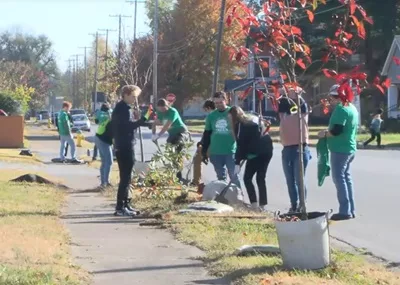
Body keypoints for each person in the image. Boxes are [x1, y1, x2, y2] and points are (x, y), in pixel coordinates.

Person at [318, 84, 358, 221]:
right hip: (349, 148)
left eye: (334, 96)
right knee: (346, 178)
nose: (332, 99)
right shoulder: (352, 107)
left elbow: (337, 131)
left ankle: (345, 211)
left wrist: (324, 133)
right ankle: (351, 209)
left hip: (340, 149)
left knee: (339, 178)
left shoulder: (341, 109)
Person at [112, 85, 152, 216]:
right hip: (123, 146)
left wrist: (143, 121)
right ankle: (120, 207)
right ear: (126, 94)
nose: (135, 100)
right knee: (125, 178)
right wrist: (144, 119)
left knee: (128, 177)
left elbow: (131, 125)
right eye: (133, 97)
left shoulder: (126, 108)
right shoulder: (121, 109)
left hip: (127, 144)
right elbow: (128, 126)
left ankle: (126, 204)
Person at [229, 106, 273, 211]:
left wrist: (237, 162)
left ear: (234, 117)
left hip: (258, 153)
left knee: (248, 178)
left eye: (229, 118)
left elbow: (241, 145)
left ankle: (255, 205)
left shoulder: (242, 126)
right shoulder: (250, 119)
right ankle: (261, 205)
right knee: (260, 178)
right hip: (266, 150)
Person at [278, 87, 311, 213]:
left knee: (299, 179)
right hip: (287, 148)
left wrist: (298, 95)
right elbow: (281, 106)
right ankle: (293, 205)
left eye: (293, 91)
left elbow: (302, 105)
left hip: (300, 148)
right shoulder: (284, 110)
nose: (291, 93)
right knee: (289, 180)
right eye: (289, 91)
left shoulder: (302, 108)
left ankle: (303, 206)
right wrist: (283, 95)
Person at [201, 91, 241, 188]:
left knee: (234, 176)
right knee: (221, 177)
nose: (218, 105)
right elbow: (207, 134)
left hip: (231, 151)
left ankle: (239, 198)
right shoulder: (211, 116)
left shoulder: (233, 112)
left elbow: (240, 130)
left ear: (226, 100)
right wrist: (204, 151)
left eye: (220, 102)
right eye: (216, 103)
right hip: (215, 152)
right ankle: (225, 198)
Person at [152, 98, 189, 182]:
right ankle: (174, 174)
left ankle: (179, 176)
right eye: (160, 109)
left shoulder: (173, 112)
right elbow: (154, 123)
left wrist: (159, 135)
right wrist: (153, 134)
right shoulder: (159, 113)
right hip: (172, 134)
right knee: (170, 152)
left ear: (167, 106)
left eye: (164, 108)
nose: (162, 110)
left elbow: (167, 125)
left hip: (181, 133)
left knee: (177, 152)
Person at [191, 99, 216, 186]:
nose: (205, 112)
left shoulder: (211, 117)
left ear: (208, 108)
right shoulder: (215, 116)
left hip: (212, 145)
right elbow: (206, 133)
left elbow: (208, 134)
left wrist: (203, 146)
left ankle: (196, 182)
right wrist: (201, 142)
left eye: (205, 110)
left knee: (197, 158)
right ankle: (196, 181)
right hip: (209, 143)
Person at [95, 103, 113, 188]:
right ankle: (106, 182)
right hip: (103, 140)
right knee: (109, 162)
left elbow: (97, 119)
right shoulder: (108, 116)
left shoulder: (101, 115)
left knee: (104, 162)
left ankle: (103, 182)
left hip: (99, 137)